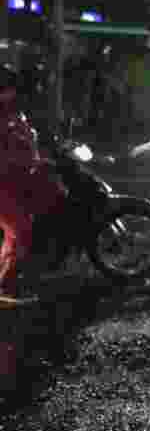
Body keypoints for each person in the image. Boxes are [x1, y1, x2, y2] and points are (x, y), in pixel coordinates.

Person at [0, 67, 66, 308]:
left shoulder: (14, 115)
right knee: (19, 232)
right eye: (8, 90)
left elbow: (28, 141)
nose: (12, 94)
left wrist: (41, 158)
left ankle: (21, 275)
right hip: (3, 184)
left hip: (16, 181)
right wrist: (26, 162)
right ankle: (3, 288)